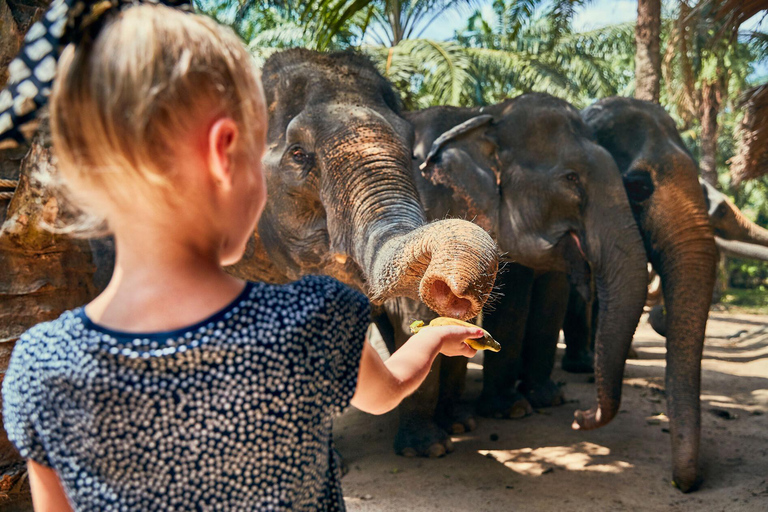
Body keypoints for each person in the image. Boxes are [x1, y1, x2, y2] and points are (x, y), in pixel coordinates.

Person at [1, 3, 483, 511]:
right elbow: (386, 392)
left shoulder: (39, 365)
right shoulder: (314, 317)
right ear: (224, 152)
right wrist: (431, 340)